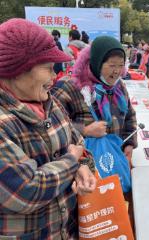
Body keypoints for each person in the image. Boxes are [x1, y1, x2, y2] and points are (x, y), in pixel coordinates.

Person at [0, 18, 96, 239]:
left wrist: (82, 166)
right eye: (48, 68)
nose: (54, 77)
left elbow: (77, 143)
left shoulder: (48, 102)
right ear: (16, 70)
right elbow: (25, 190)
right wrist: (72, 162)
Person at [51, 36, 137, 165]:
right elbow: (50, 128)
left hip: (114, 158)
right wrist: (84, 130)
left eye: (121, 65)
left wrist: (129, 143)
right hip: (83, 166)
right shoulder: (70, 87)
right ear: (96, 62)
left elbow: (130, 116)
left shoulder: (118, 86)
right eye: (112, 65)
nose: (117, 71)